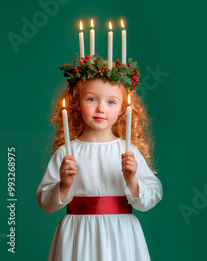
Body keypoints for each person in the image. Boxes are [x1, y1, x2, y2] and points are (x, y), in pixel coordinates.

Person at [36, 56, 163, 261]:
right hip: (77, 234)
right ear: (77, 103)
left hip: (120, 234)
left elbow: (153, 195)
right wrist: (64, 185)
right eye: (92, 99)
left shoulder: (128, 150)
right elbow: (44, 202)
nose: (101, 108)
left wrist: (132, 181)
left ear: (123, 109)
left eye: (111, 102)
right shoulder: (66, 153)